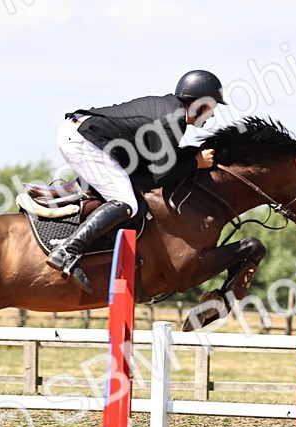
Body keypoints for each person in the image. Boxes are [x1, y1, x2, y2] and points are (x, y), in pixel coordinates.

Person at [47, 69, 226, 292]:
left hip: (84, 133)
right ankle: (67, 250)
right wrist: (196, 162)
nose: (211, 116)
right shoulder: (173, 120)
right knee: (127, 203)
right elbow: (161, 175)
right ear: (200, 103)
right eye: (211, 108)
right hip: (83, 140)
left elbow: (155, 165)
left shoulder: (170, 111)